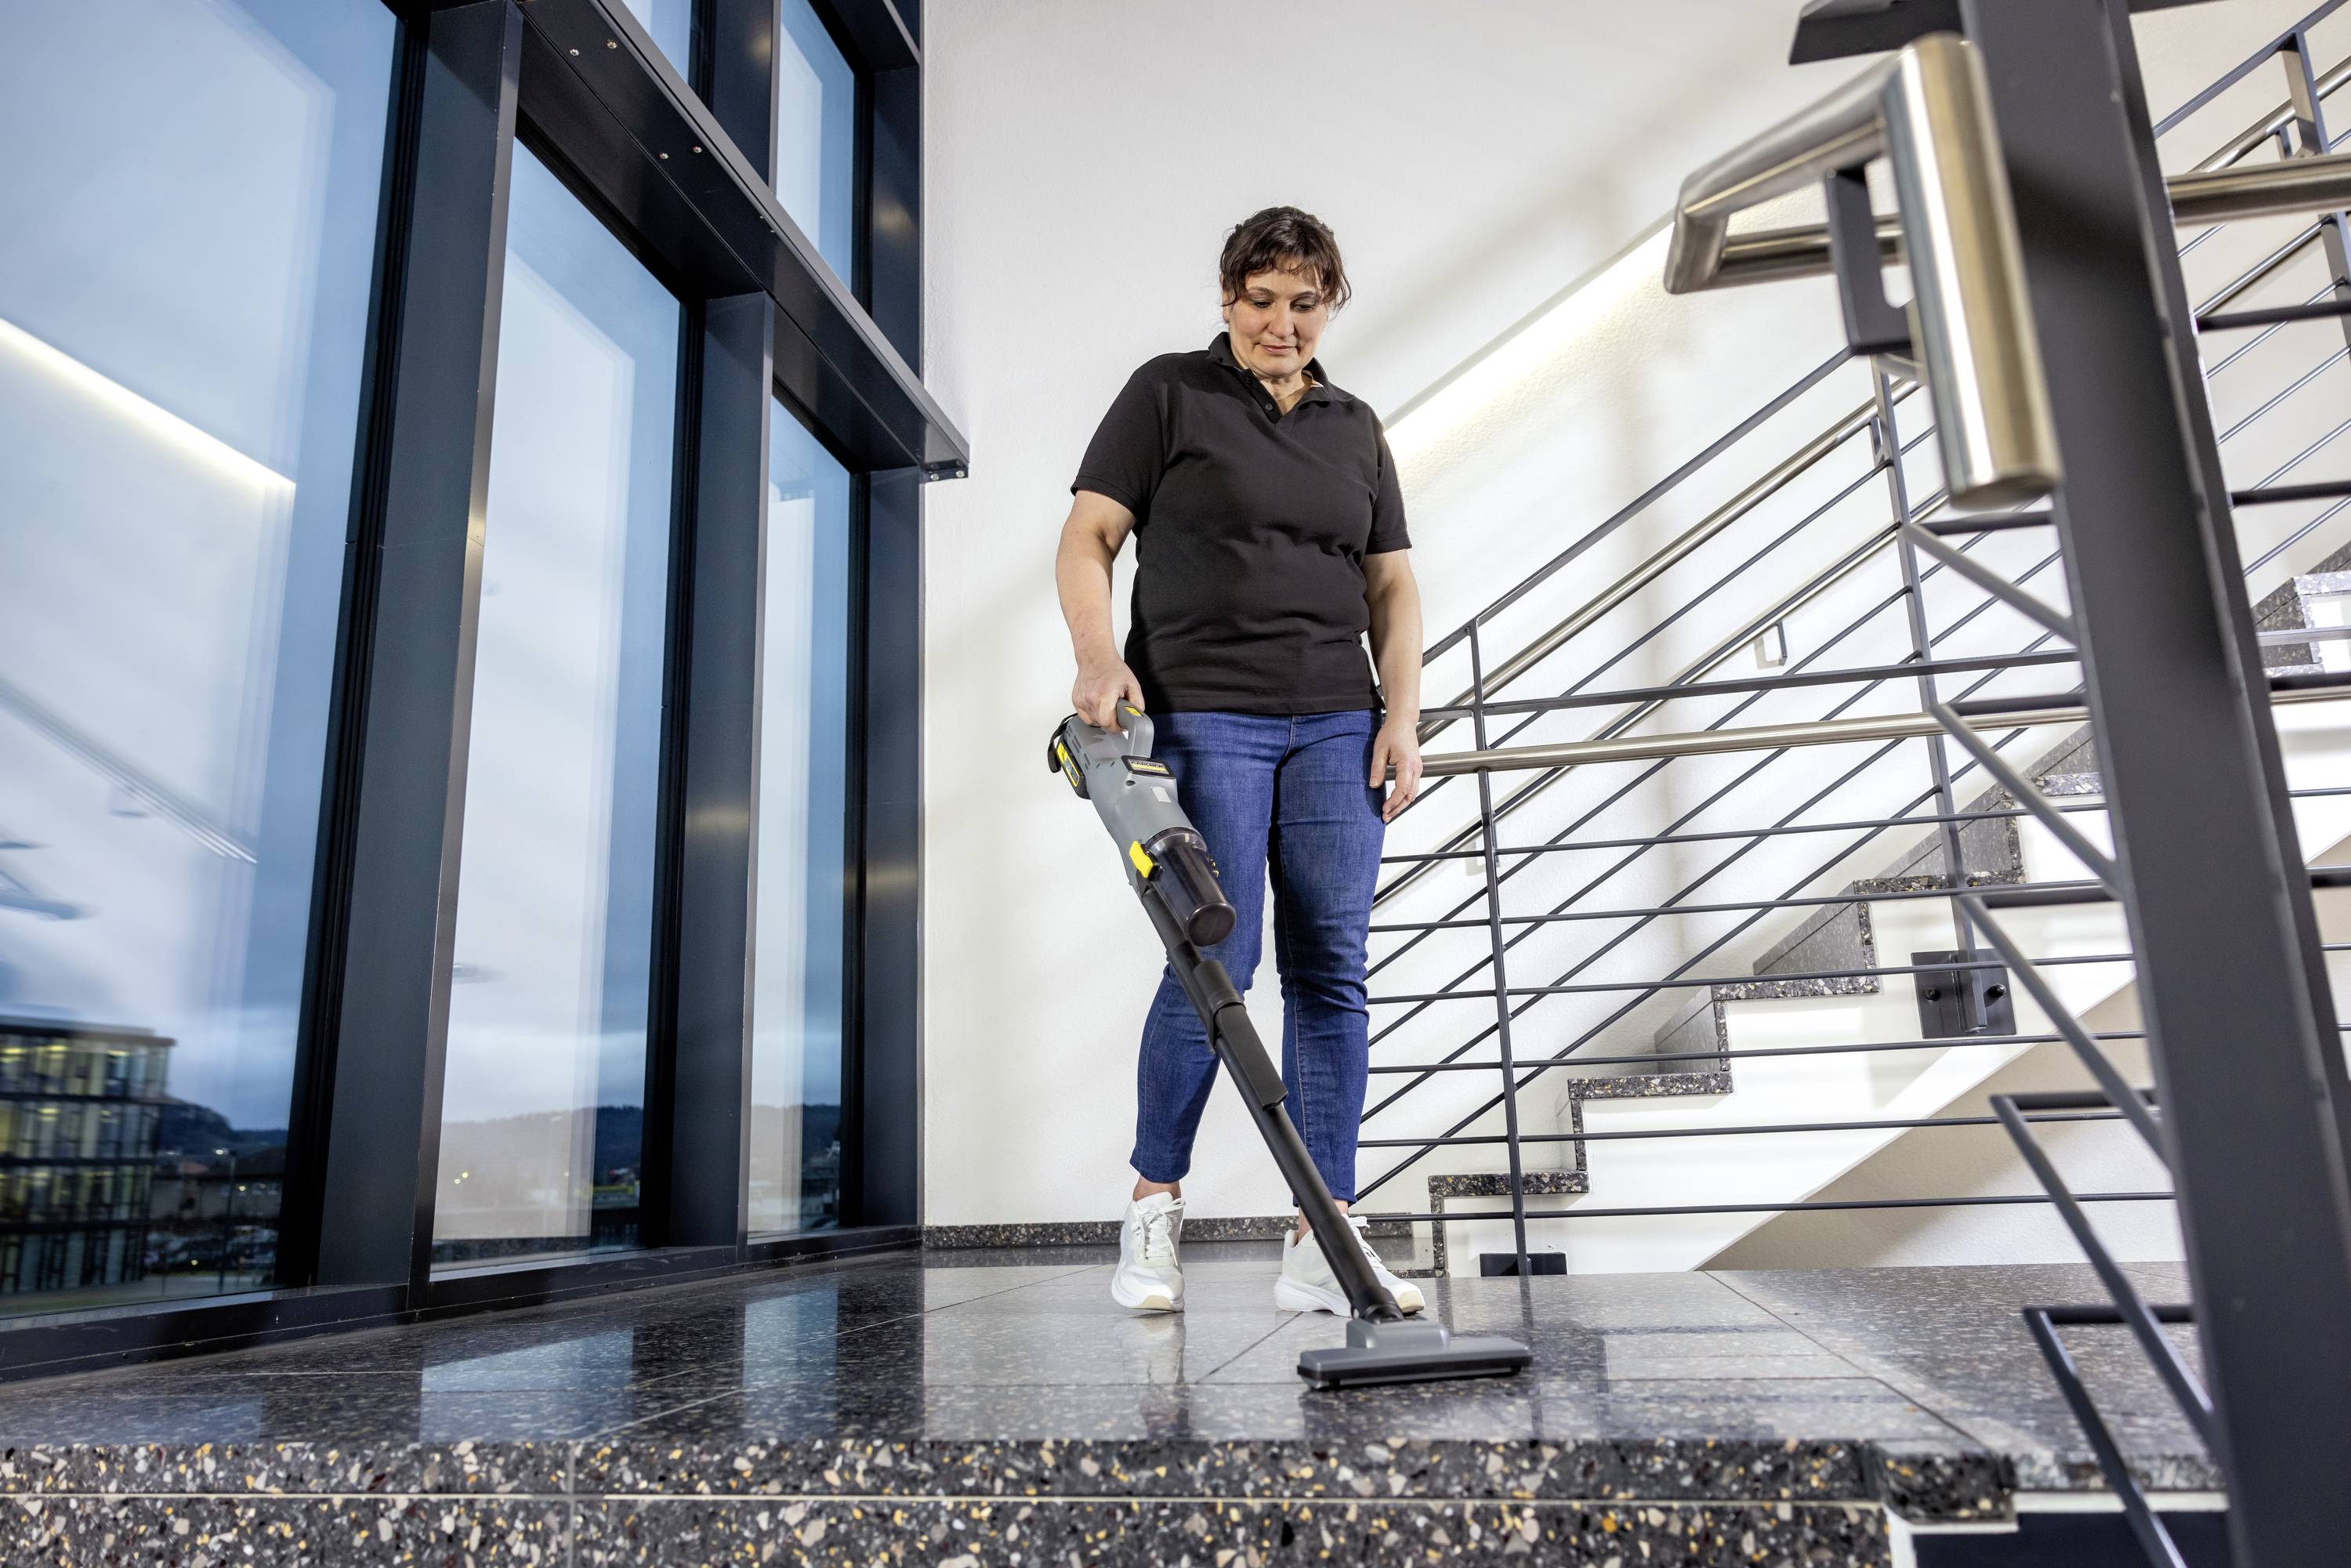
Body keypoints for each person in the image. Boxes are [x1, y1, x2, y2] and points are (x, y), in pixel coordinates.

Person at [1054, 205, 1428, 1316]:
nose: (1282, 321)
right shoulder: (1169, 394)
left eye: (1304, 301)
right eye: (1261, 299)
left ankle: (1325, 1237)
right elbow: (1087, 536)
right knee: (1217, 963)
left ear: (1330, 306)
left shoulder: (1357, 426)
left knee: (1334, 971)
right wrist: (1097, 656)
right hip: (1204, 716)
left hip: (1333, 726)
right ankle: (1153, 1205)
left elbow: (1393, 586)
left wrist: (1400, 714)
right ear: (1229, 300)